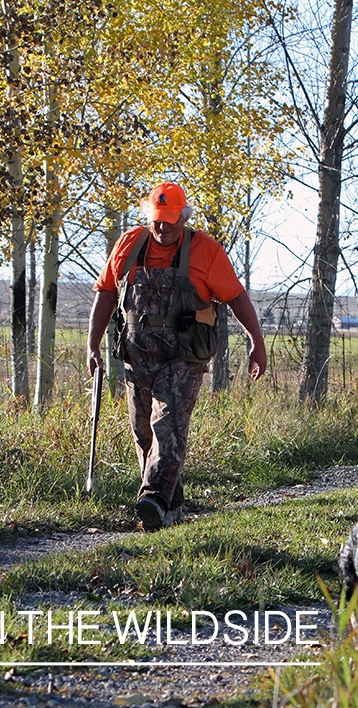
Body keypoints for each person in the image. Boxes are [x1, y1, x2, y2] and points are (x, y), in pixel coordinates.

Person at [87, 182, 268, 531]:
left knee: (167, 423)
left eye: (170, 219)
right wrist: (92, 345)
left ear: (183, 217)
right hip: (136, 354)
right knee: (143, 432)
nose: (162, 226)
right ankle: (171, 506)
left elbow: (237, 297)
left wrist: (256, 342)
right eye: (157, 218)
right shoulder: (128, 244)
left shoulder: (206, 251)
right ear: (148, 216)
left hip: (184, 355)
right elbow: (106, 293)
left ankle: (152, 497)